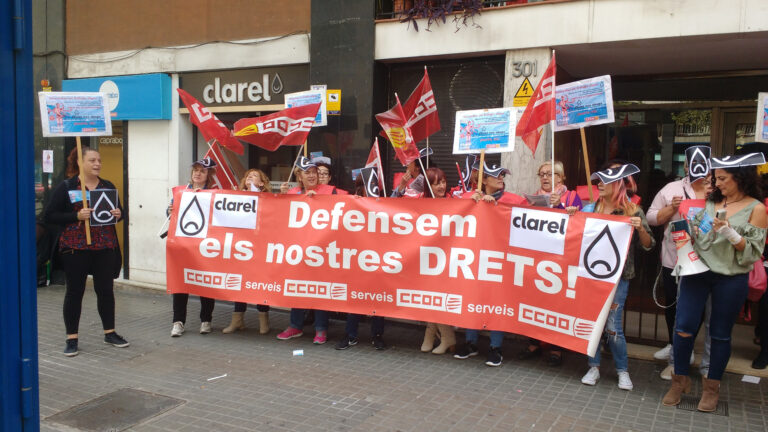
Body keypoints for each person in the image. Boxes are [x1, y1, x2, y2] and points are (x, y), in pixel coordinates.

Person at [663, 153, 767, 412]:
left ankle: (711, 388)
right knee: (683, 326)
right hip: (697, 273)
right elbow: (700, 237)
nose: (716, 183)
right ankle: (679, 381)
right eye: (715, 178)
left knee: (719, 335)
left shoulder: (757, 208)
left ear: (740, 178)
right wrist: (689, 234)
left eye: (722, 178)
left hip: (731, 278)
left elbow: (752, 252)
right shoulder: (711, 202)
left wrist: (730, 233)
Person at [44, 146, 128, 356]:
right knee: (75, 292)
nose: (97, 163)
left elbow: (119, 212)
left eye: (99, 160)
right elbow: (50, 215)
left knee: (106, 291)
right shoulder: (67, 187)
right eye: (92, 160)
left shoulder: (107, 186)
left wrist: (119, 213)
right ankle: (71, 338)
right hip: (76, 248)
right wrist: (76, 216)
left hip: (105, 247)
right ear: (80, 162)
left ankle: (110, 332)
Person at [580, 162, 655, 391]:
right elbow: (573, 231)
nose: (599, 184)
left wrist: (640, 227)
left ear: (617, 185)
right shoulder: (591, 208)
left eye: (605, 180)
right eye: (598, 180)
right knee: (594, 322)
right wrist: (572, 214)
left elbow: (649, 245)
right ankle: (593, 367)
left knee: (612, 326)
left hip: (619, 277)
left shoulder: (633, 210)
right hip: (592, 275)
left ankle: (623, 370)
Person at [646, 146, 712, 380]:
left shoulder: (716, 190)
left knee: (698, 309)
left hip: (706, 262)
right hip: (673, 259)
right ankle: (675, 345)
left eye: (702, 165)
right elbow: (651, 218)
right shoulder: (671, 188)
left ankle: (687, 349)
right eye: (690, 164)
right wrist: (671, 208)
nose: (695, 170)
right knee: (673, 305)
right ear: (685, 166)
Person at [454, 162, 524, 367]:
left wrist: (495, 206)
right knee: (473, 298)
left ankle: (496, 347)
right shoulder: (469, 198)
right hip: (474, 258)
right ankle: (470, 342)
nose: (501, 178)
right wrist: (471, 204)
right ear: (483, 180)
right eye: (496, 175)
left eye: (503, 175)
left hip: (500, 259)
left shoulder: (515, 201)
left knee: (497, 301)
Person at [518, 161, 582, 367]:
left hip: (562, 258)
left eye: (551, 174)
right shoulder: (533, 198)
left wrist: (561, 207)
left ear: (561, 178)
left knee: (558, 303)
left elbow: (580, 224)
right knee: (535, 300)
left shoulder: (572, 196)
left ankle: (556, 347)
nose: (545, 178)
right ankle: (534, 342)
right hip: (538, 257)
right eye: (542, 174)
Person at [276, 157, 337, 344]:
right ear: (299, 176)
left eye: (314, 172)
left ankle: (321, 329)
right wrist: (281, 198)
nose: (312, 175)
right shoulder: (292, 192)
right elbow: (278, 218)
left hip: (320, 250)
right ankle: (295, 326)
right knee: (296, 288)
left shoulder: (329, 191)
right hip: (297, 250)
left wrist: (318, 201)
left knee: (319, 289)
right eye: (307, 172)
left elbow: (344, 209)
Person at [335, 175, 387, 351]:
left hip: (378, 261)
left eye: (374, 184)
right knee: (354, 300)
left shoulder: (386, 204)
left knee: (378, 301)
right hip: (357, 261)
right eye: (367, 185)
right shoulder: (352, 204)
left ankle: (377, 335)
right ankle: (350, 335)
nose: (372, 188)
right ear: (360, 188)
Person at [168, 157, 218, 337]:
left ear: (209, 175)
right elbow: (170, 215)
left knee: (205, 282)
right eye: (195, 170)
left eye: (202, 171)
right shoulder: (181, 191)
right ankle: (178, 321)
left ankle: (206, 320)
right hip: (183, 245)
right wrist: (169, 210)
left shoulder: (216, 193)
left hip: (205, 246)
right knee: (180, 284)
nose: (197, 173)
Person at [222, 169, 272, 335]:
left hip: (260, 248)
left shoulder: (269, 200)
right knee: (239, 283)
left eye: (255, 176)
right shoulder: (235, 198)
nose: (250, 177)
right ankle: (237, 320)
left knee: (260, 283)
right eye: (248, 175)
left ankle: (263, 321)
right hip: (241, 248)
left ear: (262, 184)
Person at [418, 167, 457, 354]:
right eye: (436, 183)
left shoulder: (455, 202)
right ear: (428, 186)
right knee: (429, 297)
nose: (441, 186)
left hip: (448, 258)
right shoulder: (421, 202)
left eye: (442, 182)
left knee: (438, 297)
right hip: (426, 257)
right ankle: (438, 335)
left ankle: (439, 335)